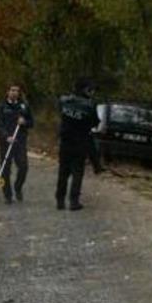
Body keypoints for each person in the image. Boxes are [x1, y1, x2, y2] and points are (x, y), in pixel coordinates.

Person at [55, 78, 101, 211]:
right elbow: (95, 122)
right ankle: (73, 201)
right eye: (91, 90)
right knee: (77, 172)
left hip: (65, 141)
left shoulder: (64, 101)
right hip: (80, 142)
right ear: (86, 90)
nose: (93, 92)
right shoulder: (90, 105)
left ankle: (60, 200)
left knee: (63, 172)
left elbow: (60, 112)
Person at [0, 84, 34, 204]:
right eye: (12, 90)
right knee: (5, 169)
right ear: (7, 92)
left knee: (23, 166)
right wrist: (6, 136)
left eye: (17, 90)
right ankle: (8, 195)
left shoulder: (24, 107)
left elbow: (32, 123)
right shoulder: (1, 107)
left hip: (20, 141)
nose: (14, 92)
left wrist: (24, 122)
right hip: (6, 143)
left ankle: (18, 187)